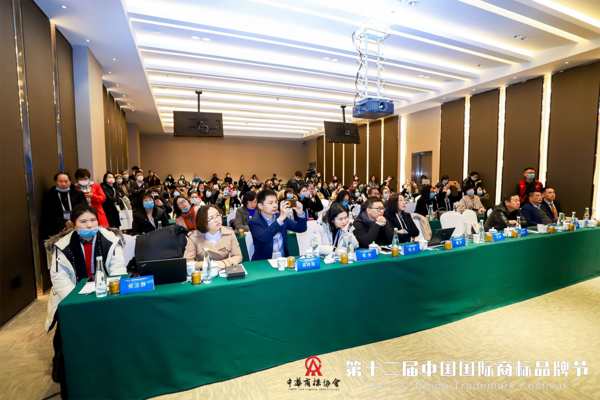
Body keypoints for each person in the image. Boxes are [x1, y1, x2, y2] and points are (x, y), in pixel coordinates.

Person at [44, 204, 127, 384]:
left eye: (92, 220)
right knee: (64, 325)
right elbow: (59, 277)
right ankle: (60, 361)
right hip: (72, 294)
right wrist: (76, 300)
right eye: (83, 221)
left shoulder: (111, 239)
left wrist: (109, 291)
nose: (89, 225)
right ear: (73, 225)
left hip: (105, 291)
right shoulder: (62, 246)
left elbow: (118, 268)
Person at [248, 189, 307, 261]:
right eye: (270, 203)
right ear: (260, 206)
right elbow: (264, 238)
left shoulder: (280, 216)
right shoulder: (254, 222)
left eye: (276, 202)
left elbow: (301, 228)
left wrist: (300, 213)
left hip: (283, 260)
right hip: (264, 262)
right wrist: (280, 219)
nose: (275, 205)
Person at [184, 204, 243, 269]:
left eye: (218, 215)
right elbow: (187, 261)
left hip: (224, 269)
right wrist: (208, 264)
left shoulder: (229, 232)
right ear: (203, 222)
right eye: (211, 218)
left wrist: (224, 263)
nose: (217, 220)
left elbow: (238, 256)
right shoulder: (194, 237)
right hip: (204, 272)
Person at [42, 173, 88, 239]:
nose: (63, 184)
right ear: (55, 182)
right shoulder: (50, 196)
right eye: (60, 181)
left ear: (70, 182)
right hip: (58, 228)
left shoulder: (79, 194)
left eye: (66, 181)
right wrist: (65, 222)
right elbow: (49, 214)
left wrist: (74, 222)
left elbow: (84, 209)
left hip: (78, 225)